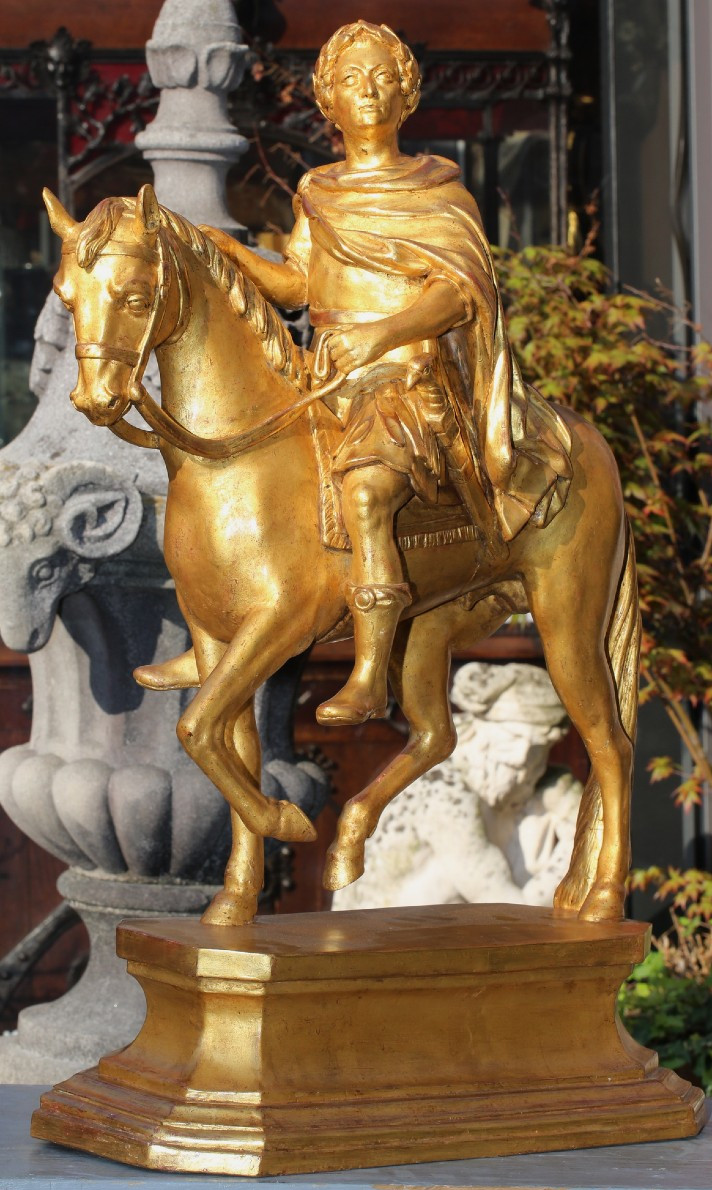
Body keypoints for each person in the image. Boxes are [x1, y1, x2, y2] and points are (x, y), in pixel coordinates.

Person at [199, 20, 572, 726]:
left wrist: (380, 336)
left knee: (367, 490)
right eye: (348, 81)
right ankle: (221, 625)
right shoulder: (317, 189)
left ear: (406, 96)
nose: (365, 92)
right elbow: (298, 286)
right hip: (325, 378)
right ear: (326, 104)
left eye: (381, 79)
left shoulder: (437, 191)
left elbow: (462, 292)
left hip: (409, 381)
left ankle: (371, 671)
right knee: (240, 476)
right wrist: (227, 249)